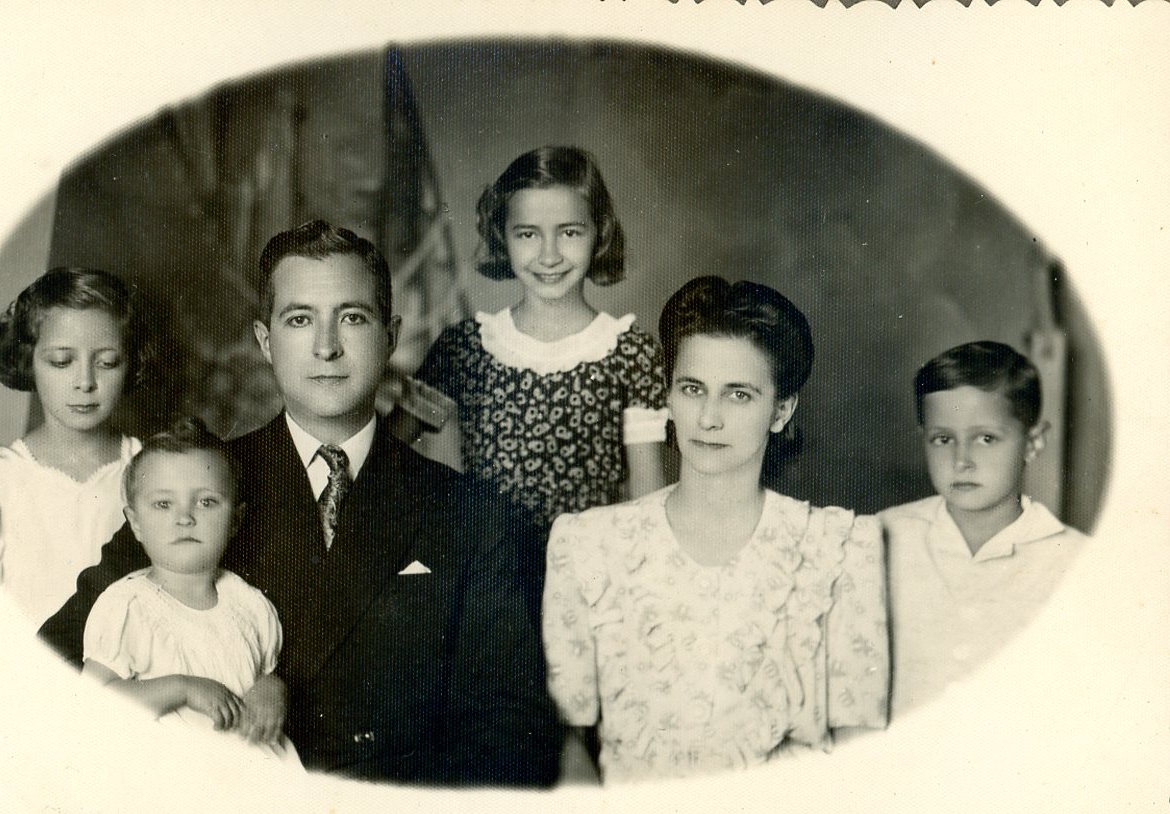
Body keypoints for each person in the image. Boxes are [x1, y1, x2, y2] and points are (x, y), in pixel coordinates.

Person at [42, 220, 559, 787]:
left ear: (390, 337)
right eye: (299, 319)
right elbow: (54, 668)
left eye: (352, 318)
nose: (326, 346)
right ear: (266, 341)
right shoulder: (195, 486)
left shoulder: (471, 512)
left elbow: (512, 733)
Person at [542, 276, 889, 783]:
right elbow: (567, 745)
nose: (708, 418)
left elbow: (862, 757)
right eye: (692, 389)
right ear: (668, 395)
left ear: (782, 410)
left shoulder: (841, 549)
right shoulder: (587, 545)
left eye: (738, 395)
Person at [416, 146, 667, 590]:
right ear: (502, 236)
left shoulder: (631, 354)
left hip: (593, 588)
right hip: (489, 595)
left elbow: (648, 506)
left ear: (599, 233)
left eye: (569, 232)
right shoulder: (463, 349)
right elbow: (430, 495)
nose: (549, 255)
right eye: (528, 234)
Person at [881, 341, 1087, 717]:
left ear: (1033, 442)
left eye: (986, 439)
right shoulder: (881, 539)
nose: (962, 461)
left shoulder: (1079, 563)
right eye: (943, 439)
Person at [0, 267, 148, 628]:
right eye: (61, 362)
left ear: (129, 364)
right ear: (29, 361)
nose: (85, 382)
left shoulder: (156, 474)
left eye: (107, 362)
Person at [82, 418, 285, 746]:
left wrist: (271, 687)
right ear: (135, 522)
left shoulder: (250, 604)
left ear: (236, 520)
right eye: (163, 504)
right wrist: (180, 688)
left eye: (206, 502)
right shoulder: (127, 606)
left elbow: (263, 673)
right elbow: (93, 705)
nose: (185, 518)